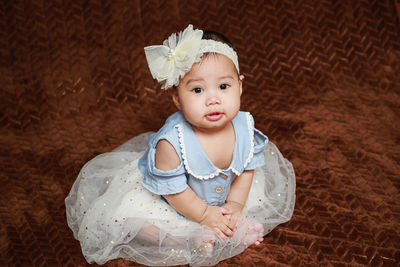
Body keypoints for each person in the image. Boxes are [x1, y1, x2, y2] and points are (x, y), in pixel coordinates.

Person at [65, 24, 296, 266]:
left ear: (240, 86)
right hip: (173, 200)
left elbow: (247, 168)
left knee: (247, 196)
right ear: (177, 98)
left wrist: (235, 204)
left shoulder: (244, 126)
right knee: (135, 222)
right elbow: (173, 191)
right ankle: (186, 238)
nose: (213, 99)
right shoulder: (172, 142)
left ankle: (233, 223)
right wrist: (205, 215)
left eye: (224, 86)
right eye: (197, 90)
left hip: (226, 193)